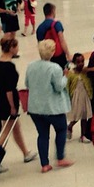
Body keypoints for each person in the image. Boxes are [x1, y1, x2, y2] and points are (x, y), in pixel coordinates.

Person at [26, 39, 73, 173]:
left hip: (35, 107)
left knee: (42, 134)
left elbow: (27, 83)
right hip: (53, 108)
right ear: (52, 52)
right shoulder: (55, 68)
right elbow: (59, 87)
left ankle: (44, 164)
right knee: (61, 129)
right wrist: (66, 77)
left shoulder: (31, 66)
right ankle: (60, 158)